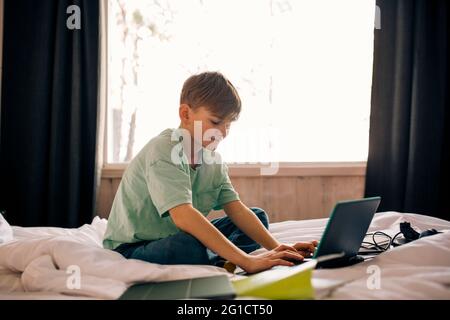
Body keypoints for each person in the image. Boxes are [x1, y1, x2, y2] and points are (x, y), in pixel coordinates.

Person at [103, 71, 317, 274]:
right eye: (215, 122)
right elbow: (184, 217)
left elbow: (236, 210)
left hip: (178, 235)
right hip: (136, 246)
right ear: (185, 114)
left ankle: (221, 259)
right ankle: (226, 258)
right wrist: (247, 261)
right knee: (188, 245)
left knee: (257, 216)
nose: (223, 132)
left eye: (229, 124)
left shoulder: (212, 160)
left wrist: (278, 248)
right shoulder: (163, 150)